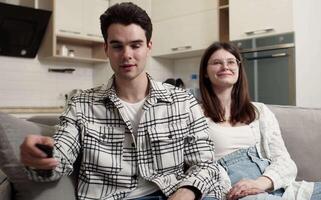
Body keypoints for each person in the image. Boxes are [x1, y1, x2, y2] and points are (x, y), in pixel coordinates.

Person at [19, 3, 228, 200]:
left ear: (149, 46)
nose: (127, 55)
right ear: (106, 49)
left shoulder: (183, 101)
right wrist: (40, 159)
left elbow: (206, 164)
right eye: (117, 46)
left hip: (173, 194)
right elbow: (61, 157)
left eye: (135, 45)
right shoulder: (81, 103)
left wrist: (187, 192)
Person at [198, 41, 321, 200]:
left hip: (280, 188)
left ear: (238, 69)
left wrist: (261, 182)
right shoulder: (194, 115)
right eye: (217, 62)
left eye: (231, 62)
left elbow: (285, 162)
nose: (225, 66)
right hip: (236, 192)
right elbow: (194, 169)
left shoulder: (260, 111)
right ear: (205, 72)